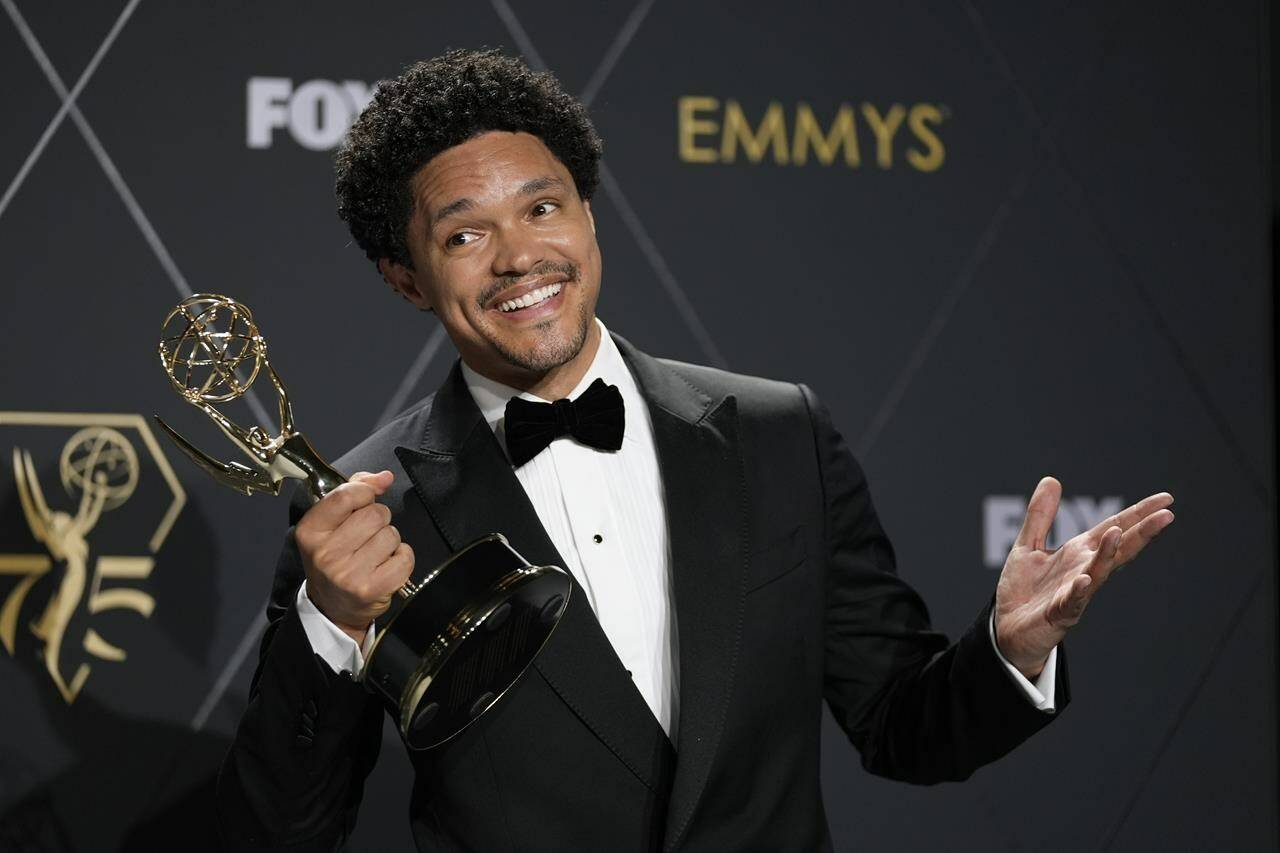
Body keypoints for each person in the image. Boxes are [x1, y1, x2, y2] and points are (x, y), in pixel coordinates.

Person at [215, 48, 1174, 851]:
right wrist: (327, 628)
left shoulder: (776, 432)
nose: (519, 257)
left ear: (588, 216)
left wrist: (1009, 649)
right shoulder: (362, 511)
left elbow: (900, 727)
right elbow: (285, 828)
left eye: (543, 209)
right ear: (407, 280)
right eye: (465, 233)